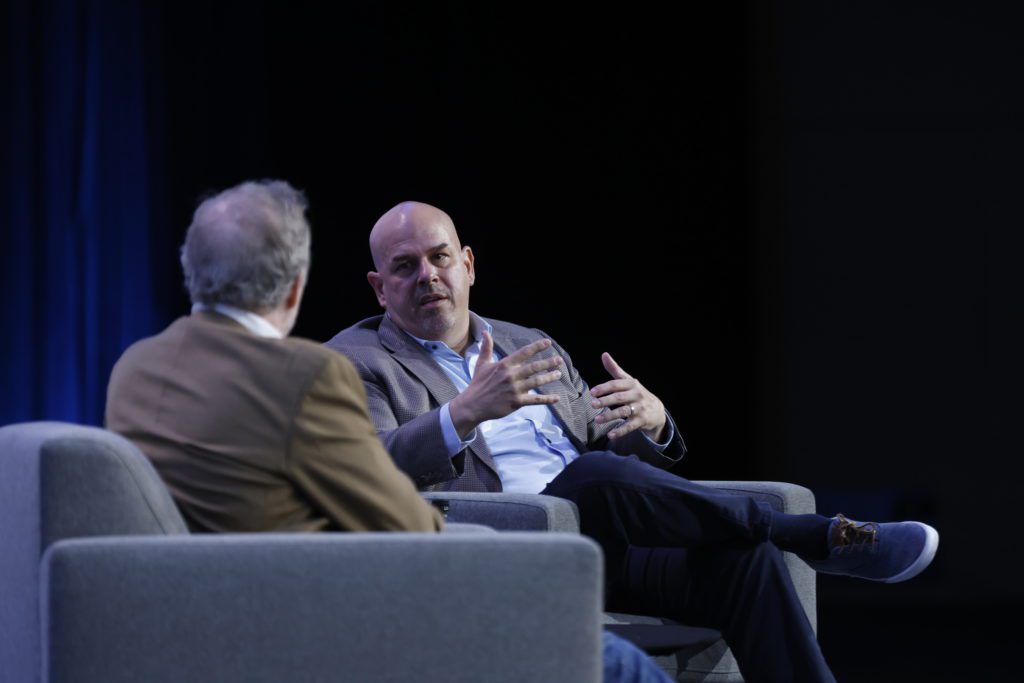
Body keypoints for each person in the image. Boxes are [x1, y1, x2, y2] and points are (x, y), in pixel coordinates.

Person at [325, 200, 942, 683]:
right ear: (380, 288)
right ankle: (813, 535)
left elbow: (613, 454)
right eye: (405, 266)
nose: (427, 275)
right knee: (593, 477)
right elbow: (366, 471)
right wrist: (461, 415)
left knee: (742, 557)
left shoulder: (526, 341)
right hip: (505, 546)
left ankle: (787, 551)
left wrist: (653, 425)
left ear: (469, 264)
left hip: (608, 541)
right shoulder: (353, 363)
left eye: (439, 258)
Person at [104, 179, 675, 683]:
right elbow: (400, 522)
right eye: (406, 266)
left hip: (196, 616)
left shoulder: (135, 368)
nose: (427, 276)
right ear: (296, 287)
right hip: (331, 614)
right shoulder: (311, 373)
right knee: (618, 665)